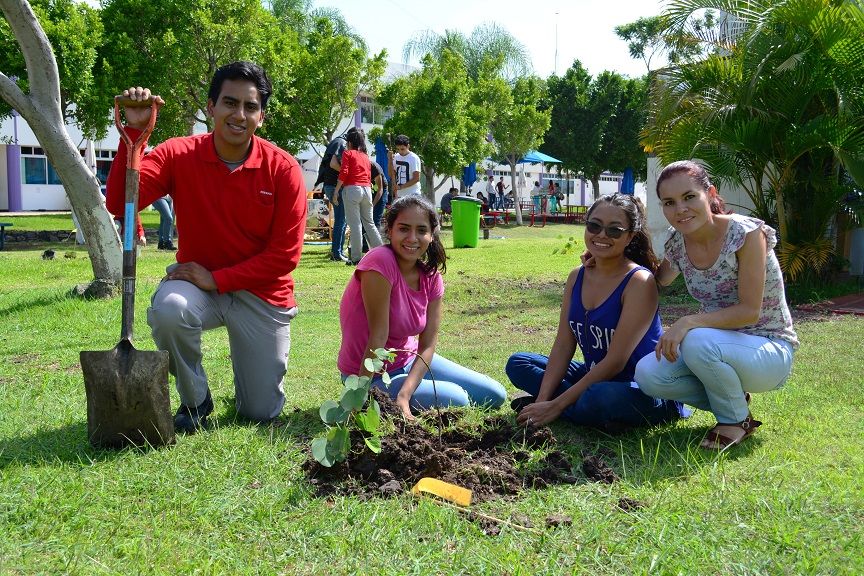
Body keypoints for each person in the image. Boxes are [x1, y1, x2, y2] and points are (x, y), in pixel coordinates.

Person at [106, 61, 307, 433]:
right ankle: (195, 399)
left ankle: (250, 379)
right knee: (170, 309)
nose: (239, 115)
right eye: (230, 103)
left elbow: (284, 257)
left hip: (261, 294)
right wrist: (133, 135)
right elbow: (121, 203)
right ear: (211, 107)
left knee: (260, 412)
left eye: (250, 107)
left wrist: (218, 278)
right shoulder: (178, 154)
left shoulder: (284, 170)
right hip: (198, 287)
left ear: (261, 116)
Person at [634, 160, 798, 450]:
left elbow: (750, 310)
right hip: (714, 347)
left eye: (689, 197)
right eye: (669, 202)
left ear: (710, 194)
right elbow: (657, 280)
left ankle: (735, 422)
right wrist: (611, 263)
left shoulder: (746, 235)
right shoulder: (678, 243)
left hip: (768, 349)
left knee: (695, 339)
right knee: (648, 374)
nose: (680, 209)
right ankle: (734, 400)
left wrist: (686, 323)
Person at [506, 193, 685, 430]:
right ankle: (577, 408)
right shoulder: (577, 276)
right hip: (594, 376)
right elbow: (563, 344)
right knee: (519, 363)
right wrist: (542, 402)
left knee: (600, 397)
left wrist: (556, 406)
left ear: (630, 236)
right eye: (594, 226)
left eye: (614, 230)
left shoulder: (639, 282)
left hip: (641, 389)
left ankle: (574, 407)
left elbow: (615, 363)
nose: (601, 235)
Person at [337, 195, 507, 419]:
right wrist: (357, 397)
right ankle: (370, 396)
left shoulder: (431, 277)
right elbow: (378, 338)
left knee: (495, 395)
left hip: (409, 361)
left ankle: (410, 389)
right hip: (371, 374)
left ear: (431, 234)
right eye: (403, 229)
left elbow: (427, 345)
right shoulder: (379, 262)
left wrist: (405, 394)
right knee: (459, 399)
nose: (412, 238)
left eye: (421, 230)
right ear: (389, 230)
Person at [333, 129, 382, 265]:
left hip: (352, 189)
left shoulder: (348, 153)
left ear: (349, 142)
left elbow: (344, 172)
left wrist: (336, 191)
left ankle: (355, 258)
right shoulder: (366, 156)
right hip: (366, 189)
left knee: (355, 225)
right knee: (370, 223)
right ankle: (382, 253)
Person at [315, 127, 359, 263]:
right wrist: (348, 175)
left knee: (342, 219)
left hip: (332, 186)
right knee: (341, 219)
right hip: (334, 186)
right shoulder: (340, 142)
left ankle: (338, 251)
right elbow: (334, 163)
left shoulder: (338, 142)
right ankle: (336, 253)